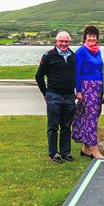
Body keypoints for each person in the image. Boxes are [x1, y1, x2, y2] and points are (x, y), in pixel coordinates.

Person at [35, 31, 76, 163]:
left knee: (66, 126)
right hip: (54, 96)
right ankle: (54, 153)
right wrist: (44, 92)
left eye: (66, 41)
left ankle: (65, 152)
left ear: (69, 42)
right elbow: (39, 76)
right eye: (61, 41)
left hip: (69, 96)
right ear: (56, 41)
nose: (64, 44)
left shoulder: (73, 56)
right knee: (53, 126)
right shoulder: (48, 56)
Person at [72, 25, 104, 159]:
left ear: (97, 38)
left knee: (93, 116)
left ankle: (85, 149)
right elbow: (77, 72)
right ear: (85, 37)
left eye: (94, 36)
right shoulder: (81, 51)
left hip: (98, 87)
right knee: (91, 119)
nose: (92, 38)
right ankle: (94, 149)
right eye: (89, 35)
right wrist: (79, 91)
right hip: (87, 87)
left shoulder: (98, 51)